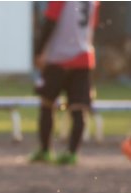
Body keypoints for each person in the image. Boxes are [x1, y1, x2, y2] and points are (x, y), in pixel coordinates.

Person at [31, 1, 100, 166]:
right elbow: (92, 26)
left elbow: (49, 22)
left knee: (47, 103)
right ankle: (72, 153)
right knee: (78, 107)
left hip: (58, 58)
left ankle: (45, 151)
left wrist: (39, 51)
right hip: (83, 57)